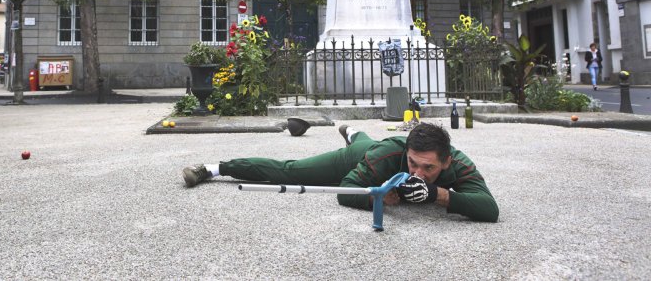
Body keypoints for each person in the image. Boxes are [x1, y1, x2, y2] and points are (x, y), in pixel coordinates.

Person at [182, 122, 498, 223]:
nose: (418, 171)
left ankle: (353, 130)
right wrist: (380, 198)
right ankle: (214, 168)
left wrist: (441, 194)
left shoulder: (459, 163)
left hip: (375, 146)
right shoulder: (390, 156)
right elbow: (346, 190)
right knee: (293, 172)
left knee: (364, 138)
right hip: (362, 157)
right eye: (413, 163)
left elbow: (489, 208)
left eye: (428, 167)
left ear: (445, 162)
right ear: (407, 154)